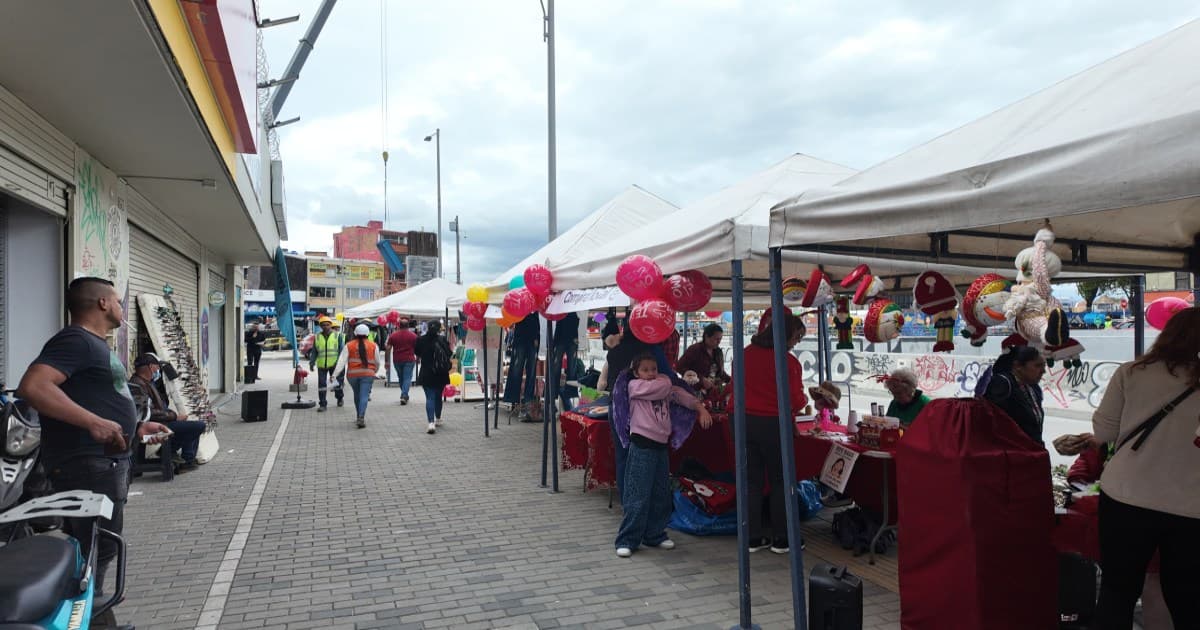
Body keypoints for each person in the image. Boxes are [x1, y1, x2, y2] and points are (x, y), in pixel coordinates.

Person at [17, 277, 171, 627]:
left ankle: (95, 614)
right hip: (85, 464)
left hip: (104, 462)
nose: (121, 308)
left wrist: (136, 428)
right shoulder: (76, 340)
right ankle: (87, 618)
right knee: (91, 550)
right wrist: (93, 423)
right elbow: (33, 386)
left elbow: (98, 398)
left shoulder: (92, 344)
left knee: (101, 547)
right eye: (117, 301)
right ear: (102, 303)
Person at [1091, 307, 1200, 629]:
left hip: (1127, 495)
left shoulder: (1131, 372)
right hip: (1193, 505)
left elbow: (1104, 433)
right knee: (1188, 597)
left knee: (1118, 591)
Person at [614, 353, 712, 558]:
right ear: (635, 373)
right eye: (645, 370)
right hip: (642, 445)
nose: (650, 374)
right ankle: (627, 539)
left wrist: (700, 407)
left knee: (660, 493)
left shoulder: (663, 385)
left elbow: (682, 396)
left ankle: (655, 534)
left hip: (660, 446)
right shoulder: (635, 387)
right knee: (637, 494)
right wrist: (667, 379)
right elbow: (665, 387)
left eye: (654, 369)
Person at [743, 309, 808, 553]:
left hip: (743, 422)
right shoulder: (788, 362)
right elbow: (796, 400)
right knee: (782, 481)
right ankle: (782, 538)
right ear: (787, 334)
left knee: (752, 481)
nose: (795, 343)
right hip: (773, 424)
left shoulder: (745, 353)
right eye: (796, 338)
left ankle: (753, 537)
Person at [128, 353, 206, 473]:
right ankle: (172, 452)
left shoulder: (147, 382)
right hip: (155, 424)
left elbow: (159, 407)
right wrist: (174, 416)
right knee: (198, 426)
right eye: (157, 367)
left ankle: (187, 460)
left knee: (192, 425)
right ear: (150, 367)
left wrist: (172, 415)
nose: (159, 370)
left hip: (163, 420)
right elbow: (147, 412)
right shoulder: (138, 384)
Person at [983, 345, 1047, 444]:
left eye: (1044, 366)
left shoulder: (1032, 387)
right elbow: (991, 424)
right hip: (1011, 453)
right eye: (1038, 365)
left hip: (1031, 452)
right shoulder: (1002, 384)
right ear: (1018, 366)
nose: (1043, 371)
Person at [334, 324, 378, 429]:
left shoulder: (349, 345)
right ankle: (361, 417)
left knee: (357, 395)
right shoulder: (373, 345)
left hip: (352, 375)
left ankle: (359, 415)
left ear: (355, 333)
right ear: (368, 334)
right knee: (364, 396)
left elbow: (341, 361)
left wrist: (334, 374)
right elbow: (377, 362)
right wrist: (373, 372)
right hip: (368, 375)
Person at [415, 320, 452, 434]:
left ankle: (431, 423)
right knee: (438, 397)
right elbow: (449, 354)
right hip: (440, 373)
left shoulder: (420, 340)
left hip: (426, 372)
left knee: (429, 398)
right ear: (438, 329)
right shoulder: (442, 339)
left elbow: (417, 353)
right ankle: (438, 418)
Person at [503, 312, 541, 421]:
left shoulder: (534, 300)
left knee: (531, 370)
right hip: (522, 335)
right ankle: (513, 398)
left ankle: (527, 399)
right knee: (516, 368)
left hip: (532, 335)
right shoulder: (519, 300)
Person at [675, 323, 730, 394]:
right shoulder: (695, 349)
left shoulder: (718, 352)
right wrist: (700, 379)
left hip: (714, 393)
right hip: (695, 392)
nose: (719, 342)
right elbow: (679, 367)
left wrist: (732, 381)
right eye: (716, 339)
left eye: (720, 339)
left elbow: (720, 373)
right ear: (707, 337)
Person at [312, 316, 345, 412]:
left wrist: (340, 363)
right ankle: (322, 404)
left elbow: (341, 350)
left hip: (334, 364)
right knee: (322, 385)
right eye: (323, 325)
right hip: (322, 365)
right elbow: (314, 351)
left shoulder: (337, 336)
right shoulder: (317, 337)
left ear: (331, 325)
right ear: (320, 326)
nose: (325, 326)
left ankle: (339, 398)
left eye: (327, 324)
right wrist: (312, 362)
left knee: (336, 384)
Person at [387, 318, 418, 405]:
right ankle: (404, 395)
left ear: (399, 325)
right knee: (407, 378)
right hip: (409, 359)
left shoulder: (393, 335)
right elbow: (417, 348)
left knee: (401, 378)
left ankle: (404, 395)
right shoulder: (413, 336)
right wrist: (418, 358)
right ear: (408, 326)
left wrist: (386, 361)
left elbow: (388, 348)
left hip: (397, 360)